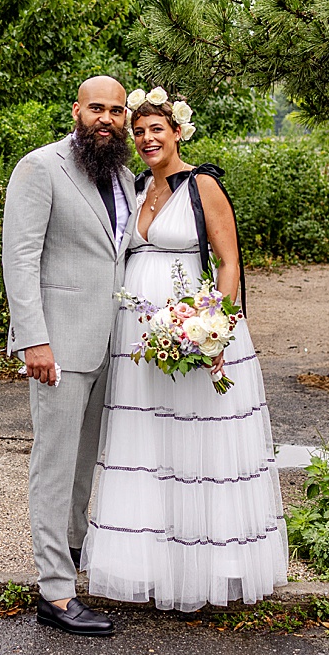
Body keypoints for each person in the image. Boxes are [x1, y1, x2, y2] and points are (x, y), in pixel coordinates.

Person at [80, 89, 289, 612]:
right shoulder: (132, 187)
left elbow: (229, 261)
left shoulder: (203, 185)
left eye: (158, 130)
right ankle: (149, 563)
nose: (148, 139)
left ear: (177, 133)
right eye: (140, 131)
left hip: (194, 330)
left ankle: (209, 566)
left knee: (198, 446)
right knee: (147, 443)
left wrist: (214, 328)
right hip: (140, 339)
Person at [1, 75, 137, 636]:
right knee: (54, 466)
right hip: (58, 345)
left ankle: (75, 558)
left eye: (118, 111)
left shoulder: (125, 177)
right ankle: (54, 594)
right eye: (97, 108)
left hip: (113, 345)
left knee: (87, 463)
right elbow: (20, 258)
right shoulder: (40, 168)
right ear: (76, 111)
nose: (106, 119)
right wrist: (34, 339)